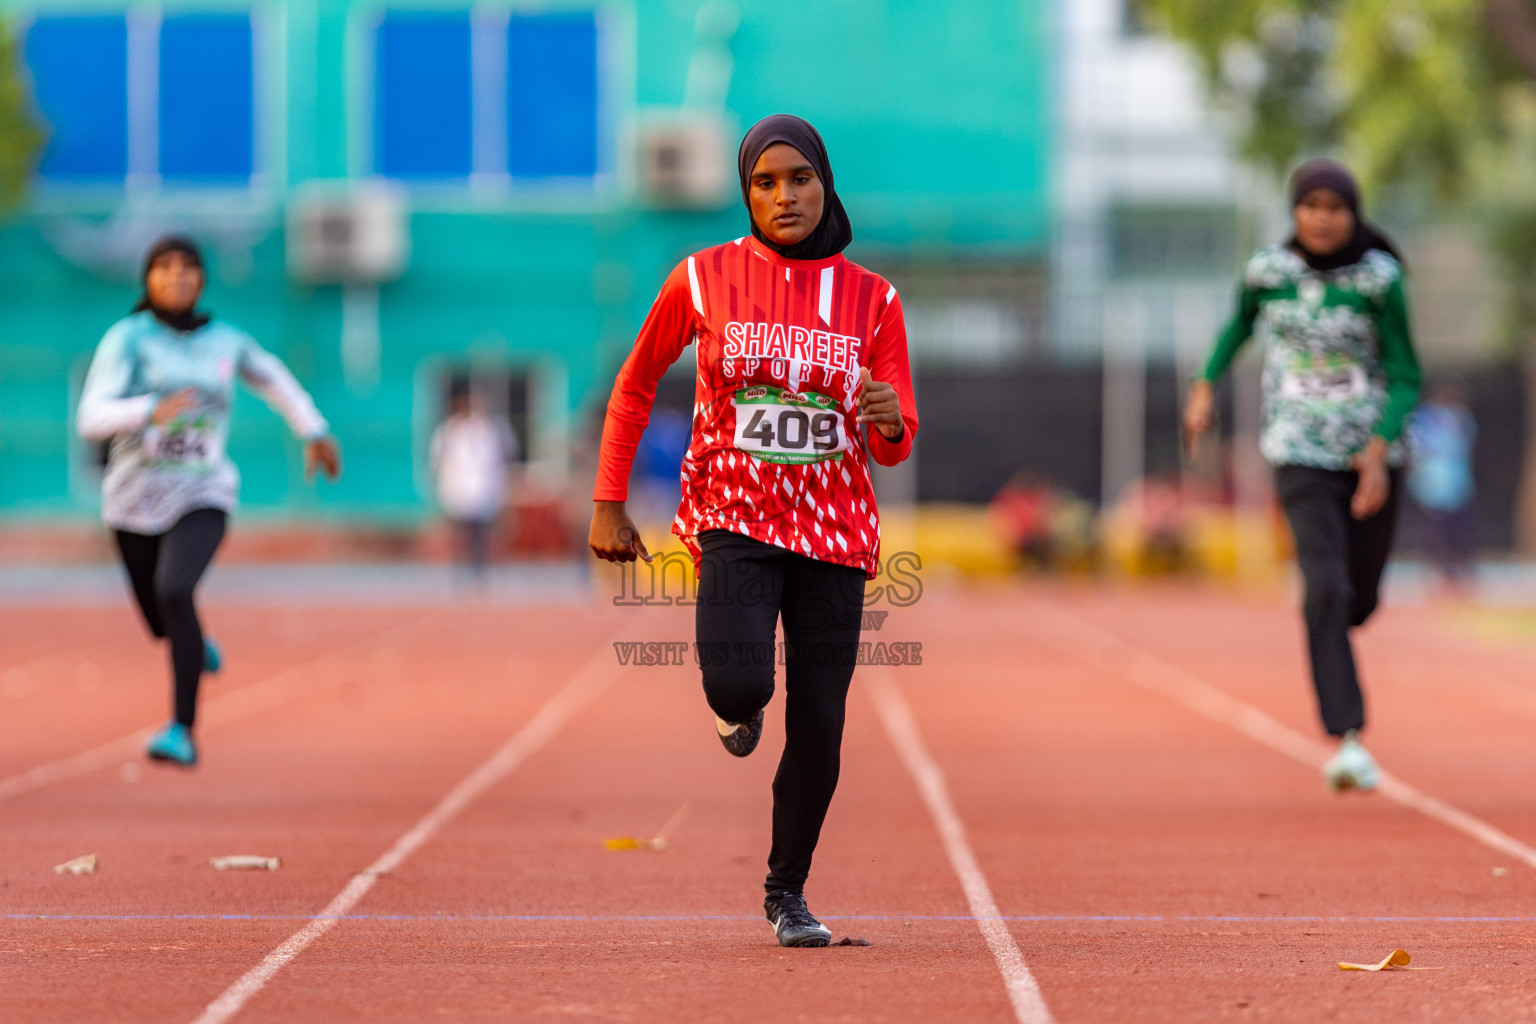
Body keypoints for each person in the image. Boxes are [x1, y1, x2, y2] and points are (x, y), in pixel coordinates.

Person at [589, 115, 917, 946]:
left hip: (834, 531)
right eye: (765, 183)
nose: (784, 196)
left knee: (821, 719)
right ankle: (736, 707)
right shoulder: (702, 279)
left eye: (799, 179)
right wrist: (607, 500)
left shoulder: (873, 299)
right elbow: (633, 387)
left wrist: (887, 416)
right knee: (738, 686)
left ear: (825, 184)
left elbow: (895, 436)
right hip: (733, 516)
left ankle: (787, 892)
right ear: (746, 193)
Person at [1184, 159, 1421, 792]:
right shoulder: (1269, 272)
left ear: (1353, 214)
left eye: (1334, 207)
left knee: (1358, 599)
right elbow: (1237, 326)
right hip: (1297, 447)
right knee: (1324, 587)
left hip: (1371, 452)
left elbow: (1406, 372)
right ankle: (1348, 737)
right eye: (1309, 206)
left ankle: (1337, 623)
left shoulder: (1378, 280)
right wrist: (1205, 383)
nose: (1321, 218)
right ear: (1294, 212)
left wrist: (1379, 446)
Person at [77, 236, 341, 767]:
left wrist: (313, 429)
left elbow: (275, 380)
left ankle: (182, 730)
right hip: (132, 498)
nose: (177, 276)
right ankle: (197, 643)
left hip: (203, 489)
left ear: (202, 279)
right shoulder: (127, 340)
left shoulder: (227, 342)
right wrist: (151, 409)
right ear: (148, 279)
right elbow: (90, 419)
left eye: (188, 267)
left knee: (176, 590)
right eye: (165, 267)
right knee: (160, 622)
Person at [429, 386, 518, 577]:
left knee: (482, 533)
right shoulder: (449, 430)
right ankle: (459, 569)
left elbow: (508, 455)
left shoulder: (494, 429)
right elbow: (437, 459)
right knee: (459, 533)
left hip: (486, 487)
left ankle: (479, 569)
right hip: (458, 487)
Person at [1407, 382, 1477, 588]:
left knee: (1459, 526)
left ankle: (1457, 566)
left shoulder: (1461, 417)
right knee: (1433, 526)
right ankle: (1435, 566)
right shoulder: (1425, 417)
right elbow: (1416, 448)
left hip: (1457, 480)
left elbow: (1467, 445)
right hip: (1432, 480)